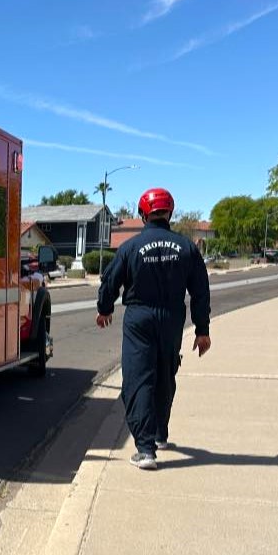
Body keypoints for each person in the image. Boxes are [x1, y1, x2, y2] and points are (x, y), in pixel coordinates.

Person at [96, 188, 212, 471]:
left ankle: (145, 449)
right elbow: (200, 291)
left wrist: (105, 308)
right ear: (169, 212)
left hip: (139, 318)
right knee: (165, 373)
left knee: (139, 380)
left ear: (143, 213)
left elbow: (111, 280)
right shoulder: (186, 247)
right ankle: (160, 434)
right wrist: (202, 330)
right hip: (172, 318)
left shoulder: (131, 248)